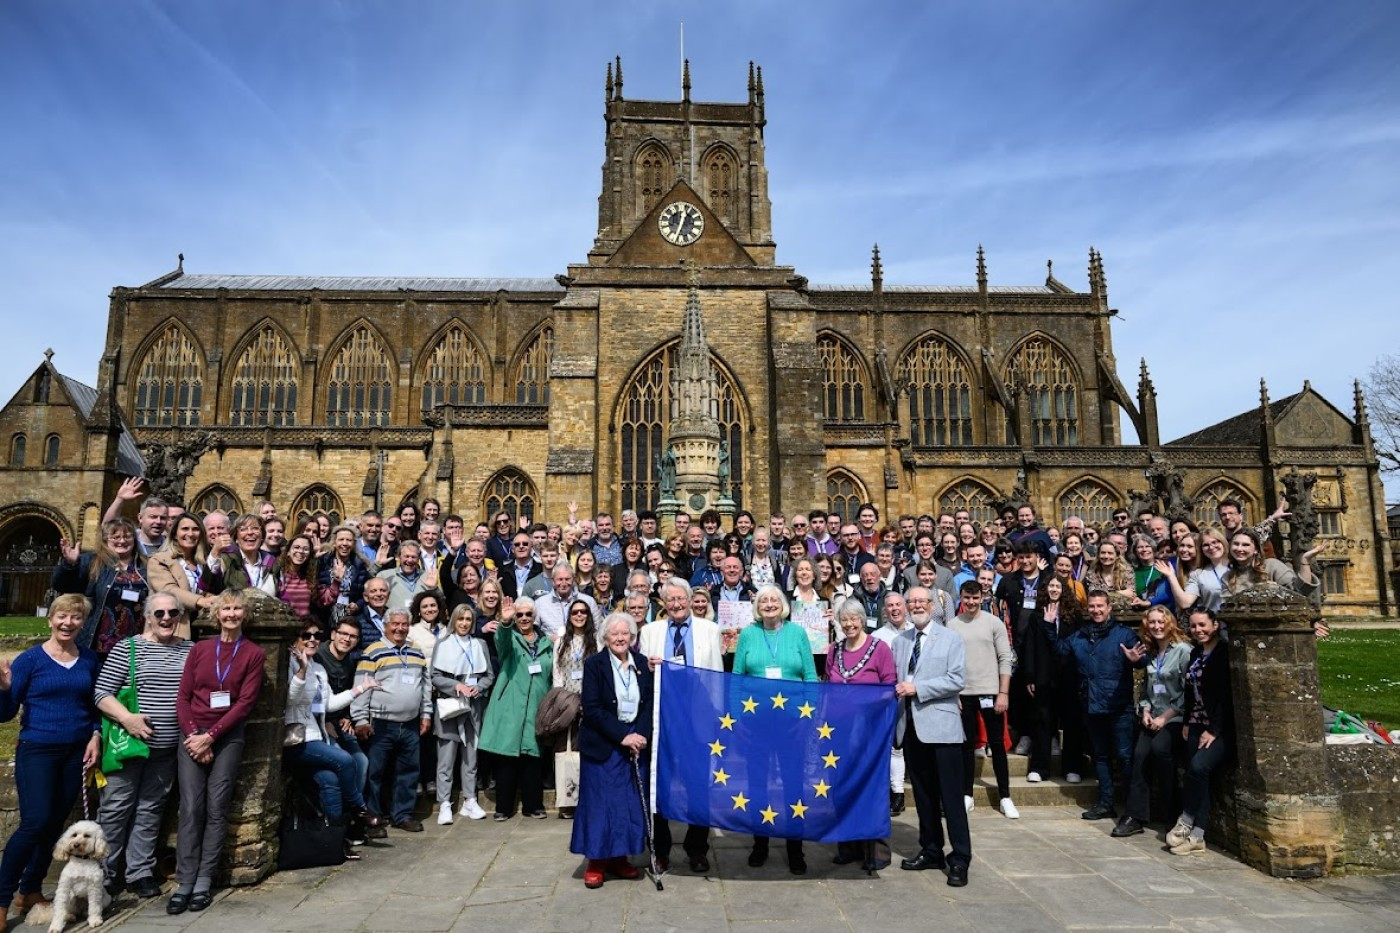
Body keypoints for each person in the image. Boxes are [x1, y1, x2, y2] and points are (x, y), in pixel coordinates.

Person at [0, 594, 102, 925]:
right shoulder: (30, 660)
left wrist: (96, 735)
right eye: (62, 616)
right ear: (50, 619)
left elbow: (95, 705)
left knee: (55, 823)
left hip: (76, 751)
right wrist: (4, 689)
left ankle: (30, 890)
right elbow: (5, 714)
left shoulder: (89, 659)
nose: (67, 623)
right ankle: (2, 899)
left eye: (75, 617)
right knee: (35, 822)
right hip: (38, 748)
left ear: (83, 623)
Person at [170, 590, 266, 915]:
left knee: (217, 807)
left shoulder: (253, 654)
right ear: (216, 614)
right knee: (191, 807)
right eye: (226, 608)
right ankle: (184, 880)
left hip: (226, 737)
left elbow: (245, 703)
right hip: (192, 735)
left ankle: (203, 880)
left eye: (237, 608)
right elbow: (183, 698)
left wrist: (211, 737)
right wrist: (195, 736)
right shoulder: (200, 649)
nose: (231, 614)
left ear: (245, 614)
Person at [93, 594, 192, 898]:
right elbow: (101, 693)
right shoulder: (128, 648)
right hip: (129, 745)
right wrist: (127, 719)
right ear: (148, 616)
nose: (166, 618)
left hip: (167, 747)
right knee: (115, 808)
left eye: (172, 612)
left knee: (151, 808)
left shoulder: (190, 650)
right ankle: (104, 874)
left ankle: (140, 872)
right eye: (159, 613)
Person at [731, 585, 818, 874]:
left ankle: (795, 849)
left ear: (783, 605)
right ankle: (760, 844)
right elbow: (736, 678)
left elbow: (810, 676)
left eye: (774, 600)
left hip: (793, 723)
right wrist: (736, 718)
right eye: (763, 601)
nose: (769, 604)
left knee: (793, 786)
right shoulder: (748, 634)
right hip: (755, 723)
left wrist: (809, 716)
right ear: (757, 607)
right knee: (757, 785)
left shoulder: (797, 633)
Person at [640, 579, 723, 873]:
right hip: (662, 718)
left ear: (690, 600)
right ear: (663, 603)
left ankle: (697, 849)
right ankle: (660, 850)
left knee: (698, 785)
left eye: (681, 599)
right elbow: (642, 676)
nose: (676, 604)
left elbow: (717, 674)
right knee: (659, 784)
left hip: (699, 717)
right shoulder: (650, 632)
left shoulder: (709, 630)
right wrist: (647, 668)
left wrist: (718, 716)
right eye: (670, 600)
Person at [890, 582, 970, 886]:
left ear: (933, 606)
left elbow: (956, 680)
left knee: (951, 799)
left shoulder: (951, 638)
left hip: (943, 729)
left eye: (922, 601)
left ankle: (960, 858)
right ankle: (931, 849)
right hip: (911, 728)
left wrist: (918, 688)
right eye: (912, 602)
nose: (917, 606)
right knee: (923, 797)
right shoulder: (901, 641)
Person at [571, 613, 653, 888]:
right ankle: (596, 860)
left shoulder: (641, 663)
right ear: (605, 638)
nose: (620, 638)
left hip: (635, 744)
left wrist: (640, 735)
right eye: (614, 634)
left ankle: (619, 858)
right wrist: (623, 736)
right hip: (604, 745)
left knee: (627, 805)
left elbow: (648, 704)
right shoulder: (594, 665)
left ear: (632, 637)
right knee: (600, 805)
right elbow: (592, 709)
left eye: (625, 633)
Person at [283, 622, 375, 860]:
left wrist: (360, 689)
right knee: (345, 760)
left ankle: (336, 840)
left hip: (315, 736)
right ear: (296, 638)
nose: (312, 639)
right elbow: (290, 700)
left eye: (317, 635)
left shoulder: (318, 668)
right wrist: (301, 670)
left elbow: (328, 704)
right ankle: (359, 808)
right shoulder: (289, 662)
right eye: (306, 635)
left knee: (330, 781)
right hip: (296, 739)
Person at [1053, 590, 1144, 823]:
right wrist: (1048, 625)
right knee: (1100, 757)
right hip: (1091, 705)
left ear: (1109, 608)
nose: (1096, 610)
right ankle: (1105, 804)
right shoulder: (1080, 635)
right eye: (1092, 606)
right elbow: (1060, 650)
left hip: (1118, 706)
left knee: (1125, 758)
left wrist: (1136, 660)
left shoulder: (1124, 634)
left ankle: (1133, 810)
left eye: (1100, 606)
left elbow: (1143, 658)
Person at [827, 598, 898, 870]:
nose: (849, 624)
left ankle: (877, 851)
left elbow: (890, 687)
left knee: (871, 788)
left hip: (870, 733)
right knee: (842, 786)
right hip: (840, 732)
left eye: (854, 618)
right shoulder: (834, 650)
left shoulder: (880, 649)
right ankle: (848, 845)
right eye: (844, 620)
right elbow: (829, 685)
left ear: (862, 619)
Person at [350, 607, 432, 833]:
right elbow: (362, 687)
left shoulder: (416, 652)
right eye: (395, 624)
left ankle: (402, 815)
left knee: (408, 772)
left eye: (404, 624)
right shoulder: (373, 651)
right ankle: (373, 819)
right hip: (381, 723)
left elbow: (425, 686)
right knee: (375, 773)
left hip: (410, 723)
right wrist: (360, 719)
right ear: (385, 626)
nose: (400, 628)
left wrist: (426, 713)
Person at [1114, 606, 1192, 839]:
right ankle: (1135, 816)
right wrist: (1146, 711)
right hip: (1153, 716)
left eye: (1161, 621)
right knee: (1139, 756)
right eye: (1152, 622)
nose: (1157, 626)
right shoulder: (1150, 652)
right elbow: (1147, 689)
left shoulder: (1183, 651)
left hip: (1176, 717)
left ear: (1170, 623)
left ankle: (1173, 814)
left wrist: (1164, 718)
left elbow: (1188, 691)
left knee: (1160, 750)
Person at [946, 581, 1018, 819]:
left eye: (975, 598)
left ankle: (1005, 796)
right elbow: (947, 662)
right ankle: (966, 794)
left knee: (997, 746)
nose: (971, 602)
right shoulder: (952, 626)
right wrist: (953, 694)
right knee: (966, 747)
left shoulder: (994, 622)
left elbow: (1005, 658)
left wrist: (1003, 693)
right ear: (961, 598)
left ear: (982, 597)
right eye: (967, 597)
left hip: (991, 692)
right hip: (963, 693)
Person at [478, 597, 553, 820]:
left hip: (536, 706)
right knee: (506, 758)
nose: (524, 618)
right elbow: (501, 642)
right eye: (519, 614)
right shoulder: (510, 638)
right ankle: (503, 807)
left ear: (534, 617)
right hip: (509, 705)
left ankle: (533, 805)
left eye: (528, 614)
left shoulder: (546, 643)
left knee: (533, 757)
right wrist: (505, 622)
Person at [1167, 608, 1233, 855]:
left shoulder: (1224, 653)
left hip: (1218, 728)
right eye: (1194, 626)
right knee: (1196, 774)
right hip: (1195, 723)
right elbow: (1190, 692)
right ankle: (1197, 835)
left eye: (1203, 625)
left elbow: (1226, 696)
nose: (1198, 630)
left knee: (1198, 767)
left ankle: (1189, 822)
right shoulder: (1196, 652)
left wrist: (1214, 731)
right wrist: (1186, 721)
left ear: (1215, 625)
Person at [431, 606, 494, 825]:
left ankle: (470, 799)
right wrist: (455, 686)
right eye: (460, 619)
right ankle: (445, 803)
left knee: (470, 758)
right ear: (454, 621)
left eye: (468, 619)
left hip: (473, 707)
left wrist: (479, 687)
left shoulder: (480, 644)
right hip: (451, 706)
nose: (464, 623)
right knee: (446, 759)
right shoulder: (443, 643)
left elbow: (488, 675)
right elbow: (435, 676)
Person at [51, 518, 150, 656]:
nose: (122, 541)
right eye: (116, 537)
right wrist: (70, 565)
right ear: (105, 539)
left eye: (127, 536)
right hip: (98, 643)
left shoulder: (146, 565)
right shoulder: (92, 561)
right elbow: (60, 585)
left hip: (135, 642)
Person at [550, 599, 600, 819]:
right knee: (565, 750)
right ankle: (568, 801)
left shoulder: (597, 640)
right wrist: (563, 702)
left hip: (590, 701)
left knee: (587, 750)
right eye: (575, 612)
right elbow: (557, 673)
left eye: (583, 612)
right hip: (567, 702)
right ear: (569, 617)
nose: (579, 615)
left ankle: (587, 799)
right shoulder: (562, 642)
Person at [147, 514, 216, 633]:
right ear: (174, 534)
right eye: (185, 529)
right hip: (172, 627)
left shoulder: (204, 562)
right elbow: (168, 590)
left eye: (195, 529)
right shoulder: (159, 560)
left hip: (202, 627)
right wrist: (200, 601)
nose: (190, 534)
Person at [204, 515, 277, 598]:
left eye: (255, 528)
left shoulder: (272, 562)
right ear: (236, 538)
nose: (250, 532)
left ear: (262, 536)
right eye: (243, 529)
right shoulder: (226, 561)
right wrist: (215, 552)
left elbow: (283, 596)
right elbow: (206, 586)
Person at [318, 527, 373, 627]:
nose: (345, 543)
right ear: (334, 542)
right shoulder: (323, 562)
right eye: (341, 539)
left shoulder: (359, 565)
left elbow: (366, 593)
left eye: (349, 540)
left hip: (349, 617)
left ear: (354, 544)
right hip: (324, 617)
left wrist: (357, 605)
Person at [275, 535, 339, 621]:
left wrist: (336, 581)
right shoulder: (278, 574)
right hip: (282, 624)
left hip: (304, 626)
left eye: (305, 549)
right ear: (288, 552)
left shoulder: (310, 576)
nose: (301, 551)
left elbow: (325, 599)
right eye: (297, 547)